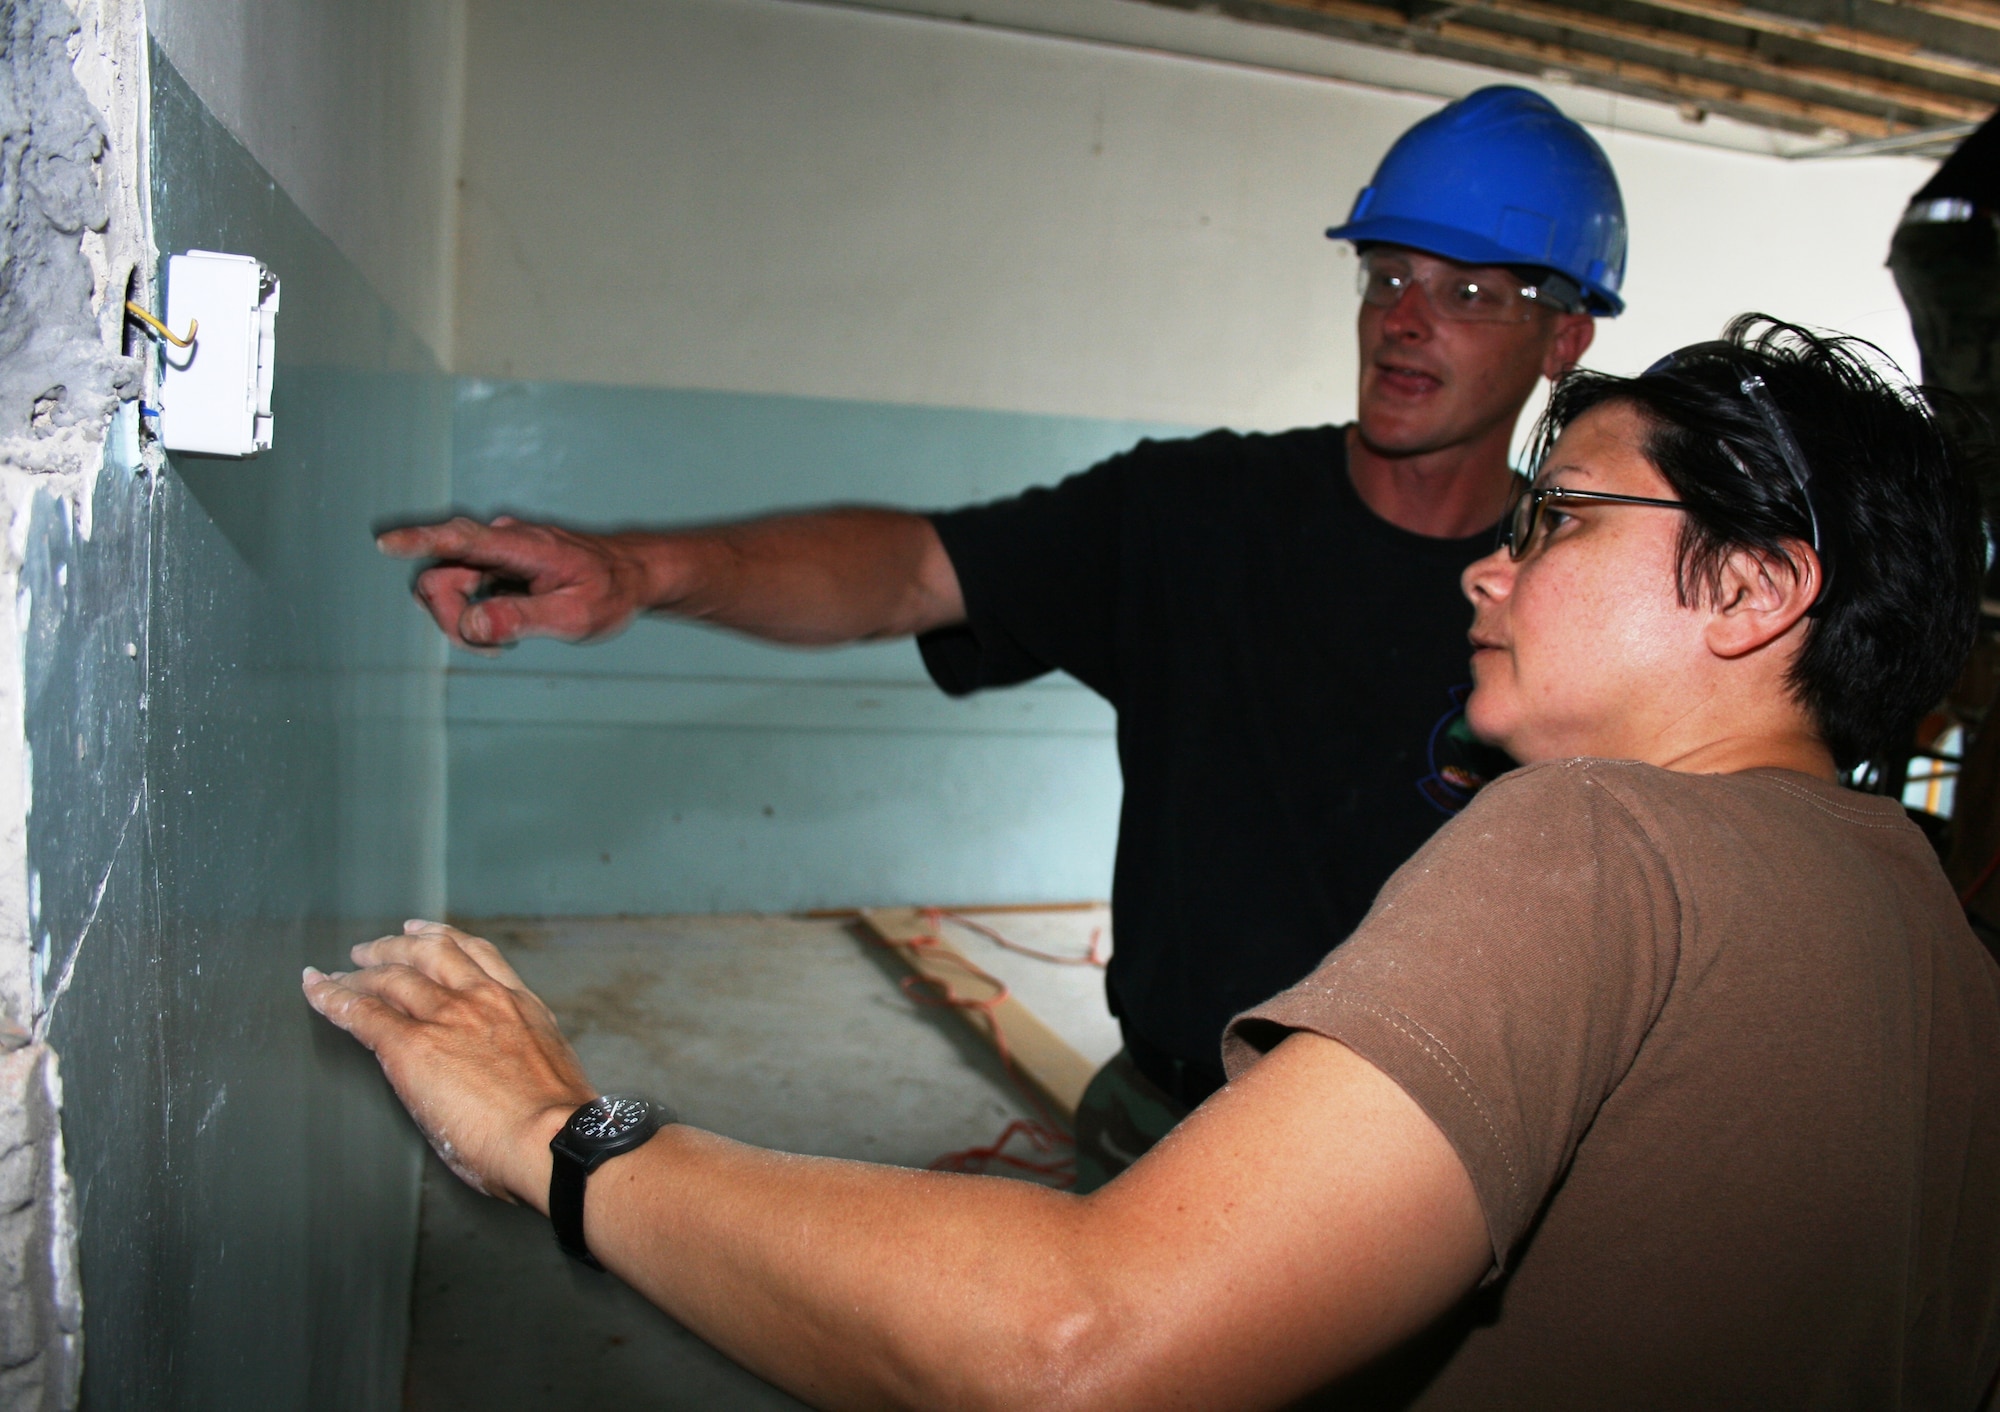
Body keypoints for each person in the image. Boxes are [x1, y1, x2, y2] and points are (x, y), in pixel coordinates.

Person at [311, 318, 2000, 1407]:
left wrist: (566, 1135)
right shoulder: (1924, 915)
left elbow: (1078, 1346)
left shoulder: (1597, 836)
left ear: (1754, 587)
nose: (1490, 570)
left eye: (1558, 519)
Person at [381, 87, 1625, 1185]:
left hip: (1437, 1160)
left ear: (1563, 338)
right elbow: (912, 566)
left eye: (1467, 292)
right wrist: (642, 569)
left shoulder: (1586, 588)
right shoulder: (1195, 514)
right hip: (1170, 1123)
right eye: (1387, 274)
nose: (1405, 319)